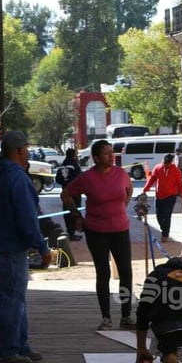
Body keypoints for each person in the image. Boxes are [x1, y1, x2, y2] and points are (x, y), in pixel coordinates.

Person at [0, 130, 51, 363]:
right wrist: (42, 246)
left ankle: (19, 345)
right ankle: (6, 350)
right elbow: (27, 217)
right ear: (20, 151)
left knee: (13, 298)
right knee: (11, 299)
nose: (28, 153)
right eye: (27, 149)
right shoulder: (17, 178)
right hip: (10, 247)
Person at [60, 139, 134, 330]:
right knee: (104, 273)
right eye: (106, 153)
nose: (112, 156)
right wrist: (77, 215)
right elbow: (66, 194)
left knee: (126, 272)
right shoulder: (87, 178)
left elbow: (129, 191)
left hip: (120, 229)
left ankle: (126, 315)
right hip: (96, 231)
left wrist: (121, 208)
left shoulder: (121, 174)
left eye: (112, 152)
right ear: (96, 158)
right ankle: (106, 317)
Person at [141, 153, 182, 243]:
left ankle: (165, 234)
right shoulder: (158, 168)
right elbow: (152, 179)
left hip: (170, 197)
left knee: (167, 215)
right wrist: (145, 189)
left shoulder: (176, 171)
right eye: (164, 163)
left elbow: (180, 185)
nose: (166, 164)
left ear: (171, 162)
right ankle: (163, 229)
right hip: (159, 196)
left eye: (167, 163)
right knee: (159, 215)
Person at [55, 148, 83, 240]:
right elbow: (80, 178)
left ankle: (70, 232)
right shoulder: (74, 166)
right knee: (75, 212)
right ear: (73, 155)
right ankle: (73, 233)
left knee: (67, 213)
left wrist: (65, 183)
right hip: (74, 193)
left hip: (65, 193)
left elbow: (57, 179)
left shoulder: (62, 165)